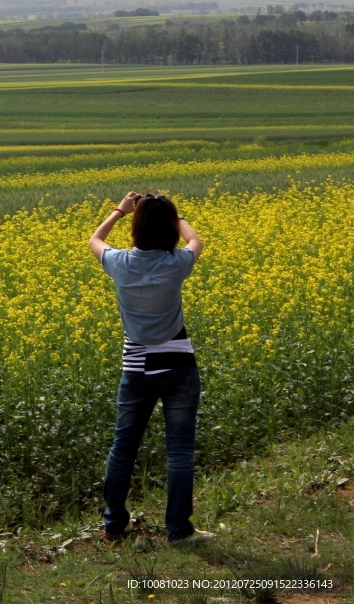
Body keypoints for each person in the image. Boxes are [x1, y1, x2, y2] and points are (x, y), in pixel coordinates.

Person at [88, 191, 215, 546]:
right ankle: (178, 530)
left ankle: (114, 524)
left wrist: (119, 210)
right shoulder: (177, 263)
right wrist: (172, 214)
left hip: (137, 369)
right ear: (169, 229)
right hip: (178, 366)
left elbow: (94, 240)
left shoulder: (120, 262)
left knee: (123, 447)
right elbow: (195, 239)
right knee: (179, 451)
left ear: (137, 226)